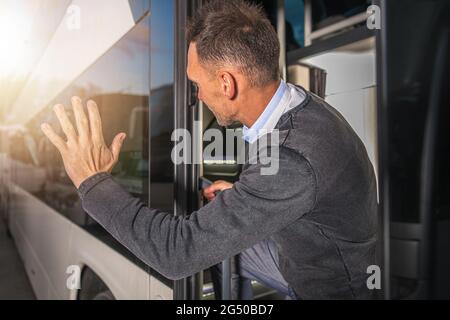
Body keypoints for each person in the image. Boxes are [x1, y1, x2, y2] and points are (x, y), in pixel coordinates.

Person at [41, 0, 378, 299]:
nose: (197, 96)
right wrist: (245, 193)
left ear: (226, 83)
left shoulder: (292, 156)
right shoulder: (300, 107)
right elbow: (298, 183)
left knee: (203, 250)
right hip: (311, 253)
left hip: (327, 287)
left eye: (197, 84)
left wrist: (92, 183)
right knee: (220, 250)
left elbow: (177, 252)